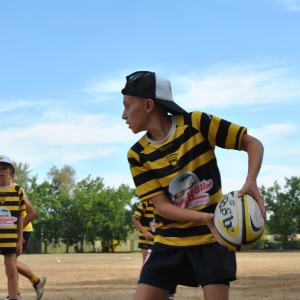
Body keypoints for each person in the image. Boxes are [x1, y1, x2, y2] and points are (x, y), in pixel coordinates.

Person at [121, 71, 266, 300]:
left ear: (148, 105)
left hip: (212, 239)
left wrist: (251, 180)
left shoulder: (197, 124)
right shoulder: (137, 154)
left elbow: (252, 143)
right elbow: (162, 207)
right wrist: (205, 218)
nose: (123, 115)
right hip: (168, 241)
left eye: (128, 106)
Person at [1, 165, 46, 300]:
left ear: (11, 174)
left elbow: (31, 212)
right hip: (11, 229)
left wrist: (17, 232)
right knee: (10, 264)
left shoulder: (16, 190)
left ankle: (36, 282)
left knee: (11, 264)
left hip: (22, 228)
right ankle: (22, 290)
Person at [0, 155, 26, 300]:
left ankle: (13, 298)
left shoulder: (18, 191)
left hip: (10, 238)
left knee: (11, 271)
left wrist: (20, 239)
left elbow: (20, 216)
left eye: (4, 168)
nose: (1, 171)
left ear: (10, 171)